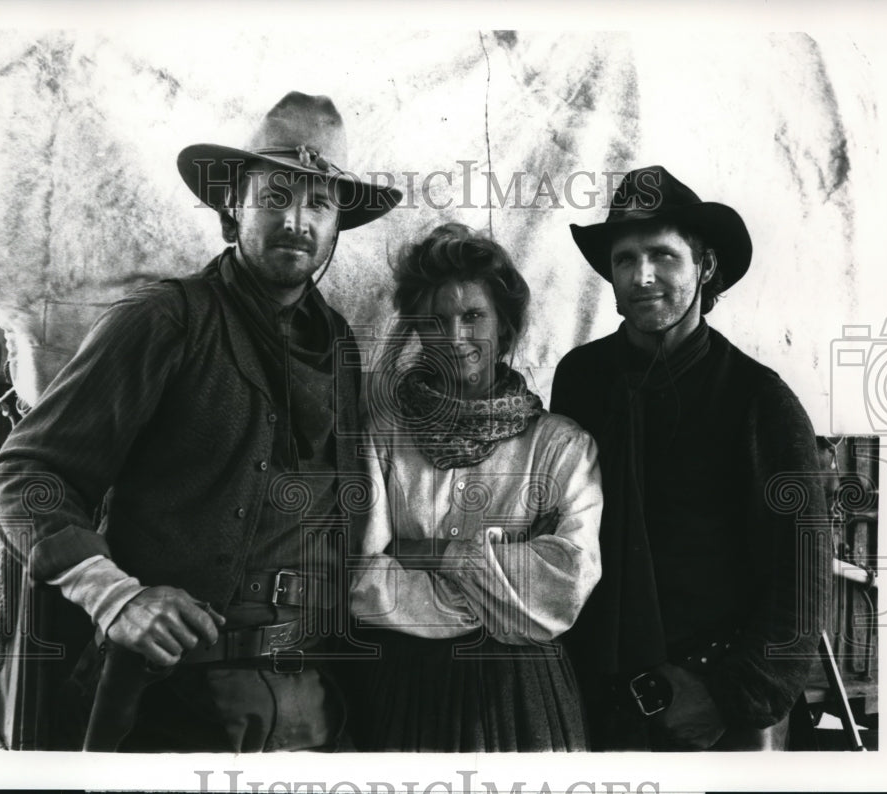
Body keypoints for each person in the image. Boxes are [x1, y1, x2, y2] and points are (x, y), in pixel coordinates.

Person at [0, 91, 401, 752]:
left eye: (318, 202)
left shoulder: (341, 347)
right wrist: (115, 597)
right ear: (230, 212)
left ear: (335, 228)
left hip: (314, 701)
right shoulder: (164, 322)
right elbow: (25, 474)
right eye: (275, 197)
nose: (296, 220)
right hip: (176, 703)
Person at [552, 165, 830, 751]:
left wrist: (730, 697)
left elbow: (802, 580)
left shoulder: (760, 402)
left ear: (705, 267)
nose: (641, 275)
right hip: (596, 701)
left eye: (663, 256)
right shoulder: (581, 379)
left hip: (716, 706)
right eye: (624, 259)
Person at [347, 223, 603, 752]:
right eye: (436, 321)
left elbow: (567, 583)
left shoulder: (560, 445)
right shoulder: (384, 435)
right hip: (409, 688)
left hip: (523, 693)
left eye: (473, 317)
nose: (455, 338)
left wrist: (428, 555)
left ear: (504, 327)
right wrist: (502, 584)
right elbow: (362, 581)